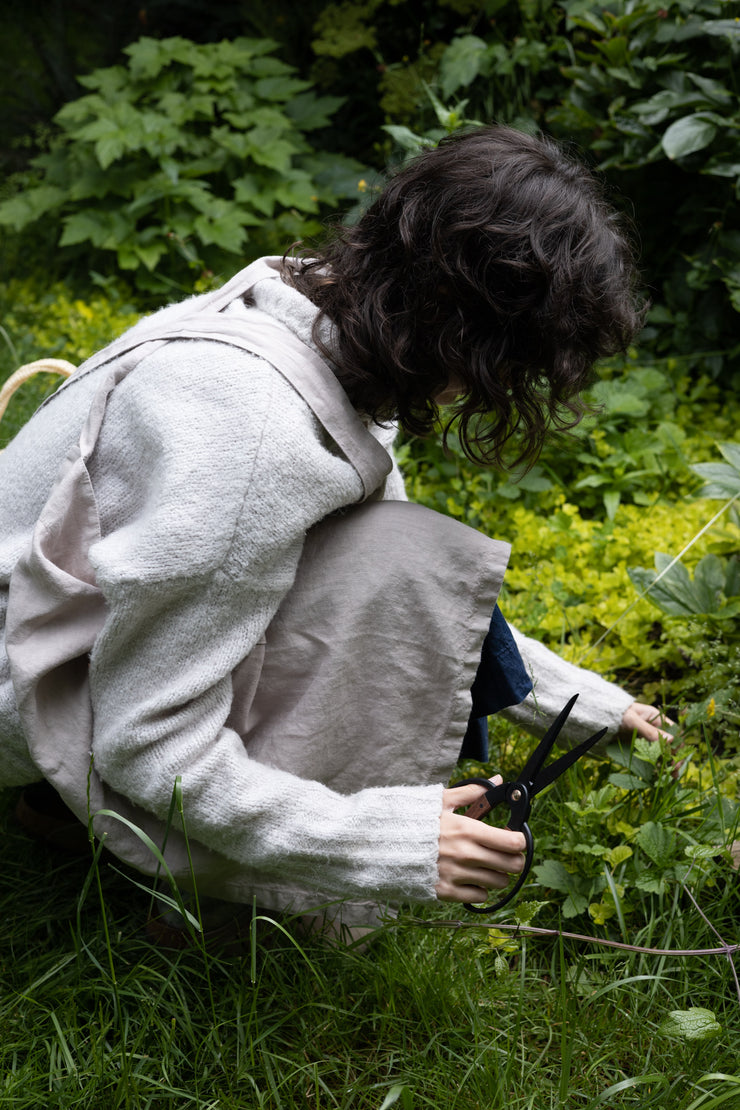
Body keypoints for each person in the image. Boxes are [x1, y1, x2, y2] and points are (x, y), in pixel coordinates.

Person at [0, 125, 669, 935]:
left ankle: (74, 815)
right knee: (398, 565)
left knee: (400, 556)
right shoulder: (251, 439)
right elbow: (148, 746)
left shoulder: (319, 319)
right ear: (465, 334)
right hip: (37, 697)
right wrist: (395, 843)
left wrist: (582, 704)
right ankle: (205, 914)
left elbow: (377, 555)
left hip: (78, 648)